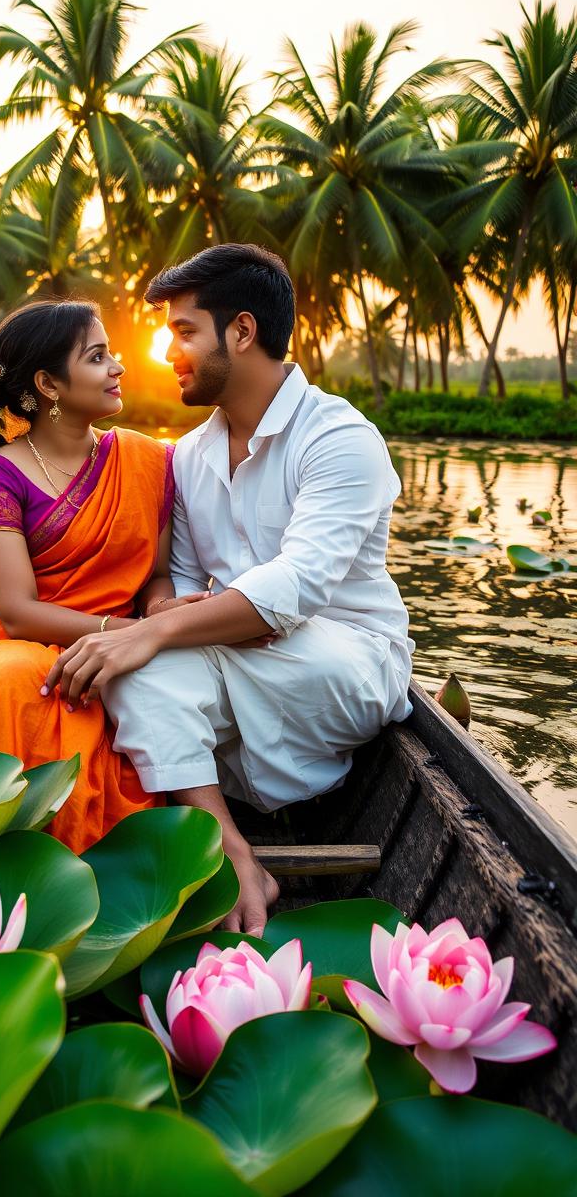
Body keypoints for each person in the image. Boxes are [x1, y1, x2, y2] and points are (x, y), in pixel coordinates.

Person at [42, 244, 414, 932]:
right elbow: (178, 579)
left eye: (184, 331)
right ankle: (231, 847)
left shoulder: (338, 437)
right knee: (134, 674)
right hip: (245, 658)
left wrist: (154, 630)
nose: (169, 350)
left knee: (153, 653)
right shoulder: (189, 456)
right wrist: (159, 611)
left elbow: (298, 585)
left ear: (241, 332)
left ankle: (219, 768)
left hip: (344, 664)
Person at [0, 299, 193, 854]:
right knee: (17, 677)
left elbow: (157, 576)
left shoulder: (146, 461)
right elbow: (17, 613)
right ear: (48, 383)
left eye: (112, 354)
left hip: (112, 641)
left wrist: (162, 616)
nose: (118, 367)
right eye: (97, 357)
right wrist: (128, 634)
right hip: (4, 644)